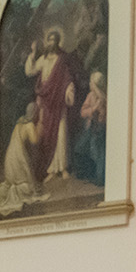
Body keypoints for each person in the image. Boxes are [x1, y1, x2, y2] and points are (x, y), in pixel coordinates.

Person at [24, 28, 80, 182]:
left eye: (54, 40)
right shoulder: (43, 59)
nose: (51, 43)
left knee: (61, 134)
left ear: (58, 42)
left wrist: (69, 91)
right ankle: (51, 169)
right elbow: (30, 71)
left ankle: (63, 168)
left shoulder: (62, 59)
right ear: (46, 42)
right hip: (46, 102)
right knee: (47, 135)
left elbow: (68, 79)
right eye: (49, 40)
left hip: (58, 101)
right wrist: (33, 53)